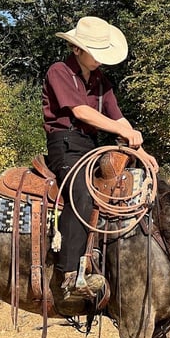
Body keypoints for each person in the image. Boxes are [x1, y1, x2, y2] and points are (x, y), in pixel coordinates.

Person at [42, 16, 159, 300]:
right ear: (77, 50)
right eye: (96, 53)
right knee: (81, 190)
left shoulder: (101, 80)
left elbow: (118, 116)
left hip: (91, 146)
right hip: (65, 145)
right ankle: (69, 274)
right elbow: (81, 112)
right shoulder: (58, 71)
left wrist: (139, 150)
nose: (100, 60)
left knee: (126, 186)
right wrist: (119, 130)